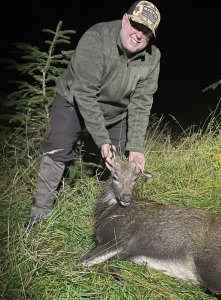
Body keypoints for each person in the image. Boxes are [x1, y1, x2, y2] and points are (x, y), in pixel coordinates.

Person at [25, 0, 161, 229]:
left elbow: (141, 102)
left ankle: (111, 220)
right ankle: (38, 216)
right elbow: (85, 93)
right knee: (58, 148)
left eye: (146, 32)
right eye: (136, 25)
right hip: (74, 102)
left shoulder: (152, 58)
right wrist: (102, 140)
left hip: (116, 112)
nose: (138, 35)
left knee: (118, 166)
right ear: (125, 19)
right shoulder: (97, 39)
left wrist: (136, 146)